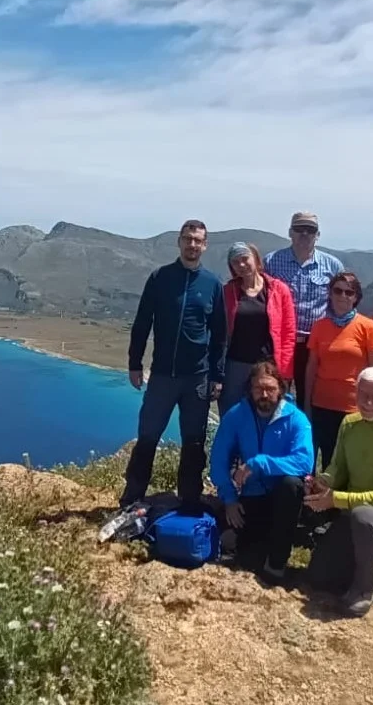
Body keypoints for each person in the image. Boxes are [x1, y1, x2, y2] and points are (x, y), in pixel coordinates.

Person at [122, 219, 227, 512]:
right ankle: (132, 497)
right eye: (187, 239)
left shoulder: (212, 284)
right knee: (148, 437)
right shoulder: (160, 278)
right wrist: (134, 362)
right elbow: (142, 323)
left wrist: (217, 376)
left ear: (205, 246)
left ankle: (189, 500)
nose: (192, 245)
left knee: (193, 443)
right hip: (162, 376)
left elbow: (220, 335)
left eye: (198, 240)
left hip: (198, 378)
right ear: (179, 242)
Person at [304, 367, 373, 617]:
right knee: (318, 578)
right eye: (362, 395)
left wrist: (336, 499)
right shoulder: (350, 424)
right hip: (354, 514)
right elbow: (338, 468)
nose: (367, 402)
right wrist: (322, 482)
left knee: (365, 516)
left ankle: (366, 589)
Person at [209, 361, 313, 583]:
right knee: (247, 558)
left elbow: (304, 462)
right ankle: (258, 543)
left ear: (281, 390)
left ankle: (276, 565)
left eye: (270, 389)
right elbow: (218, 459)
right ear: (250, 390)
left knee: (290, 485)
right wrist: (228, 498)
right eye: (258, 389)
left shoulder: (296, 419)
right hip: (252, 495)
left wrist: (260, 463)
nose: (264, 394)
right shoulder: (236, 416)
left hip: (284, 498)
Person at [303, 271, 373, 470]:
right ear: (330, 294)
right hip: (322, 404)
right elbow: (312, 367)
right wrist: (306, 403)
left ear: (356, 297)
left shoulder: (369, 327)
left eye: (349, 292)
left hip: (353, 408)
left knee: (346, 464)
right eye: (338, 290)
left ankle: (340, 502)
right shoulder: (320, 327)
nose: (343, 296)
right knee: (319, 460)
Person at [263, 212, 344, 410]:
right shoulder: (271, 262)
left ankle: (310, 439)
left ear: (318, 235)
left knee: (313, 401)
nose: (305, 234)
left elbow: (341, 303)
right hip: (280, 344)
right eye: (299, 229)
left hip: (316, 346)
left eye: (310, 230)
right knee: (276, 396)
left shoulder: (332, 266)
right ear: (290, 232)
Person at [219, 242, 297, 418]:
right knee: (232, 415)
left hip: (267, 365)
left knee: (266, 414)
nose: (241, 265)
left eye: (245, 259)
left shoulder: (278, 290)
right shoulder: (227, 292)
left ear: (255, 258)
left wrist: (284, 371)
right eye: (235, 262)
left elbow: (288, 332)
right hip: (235, 366)